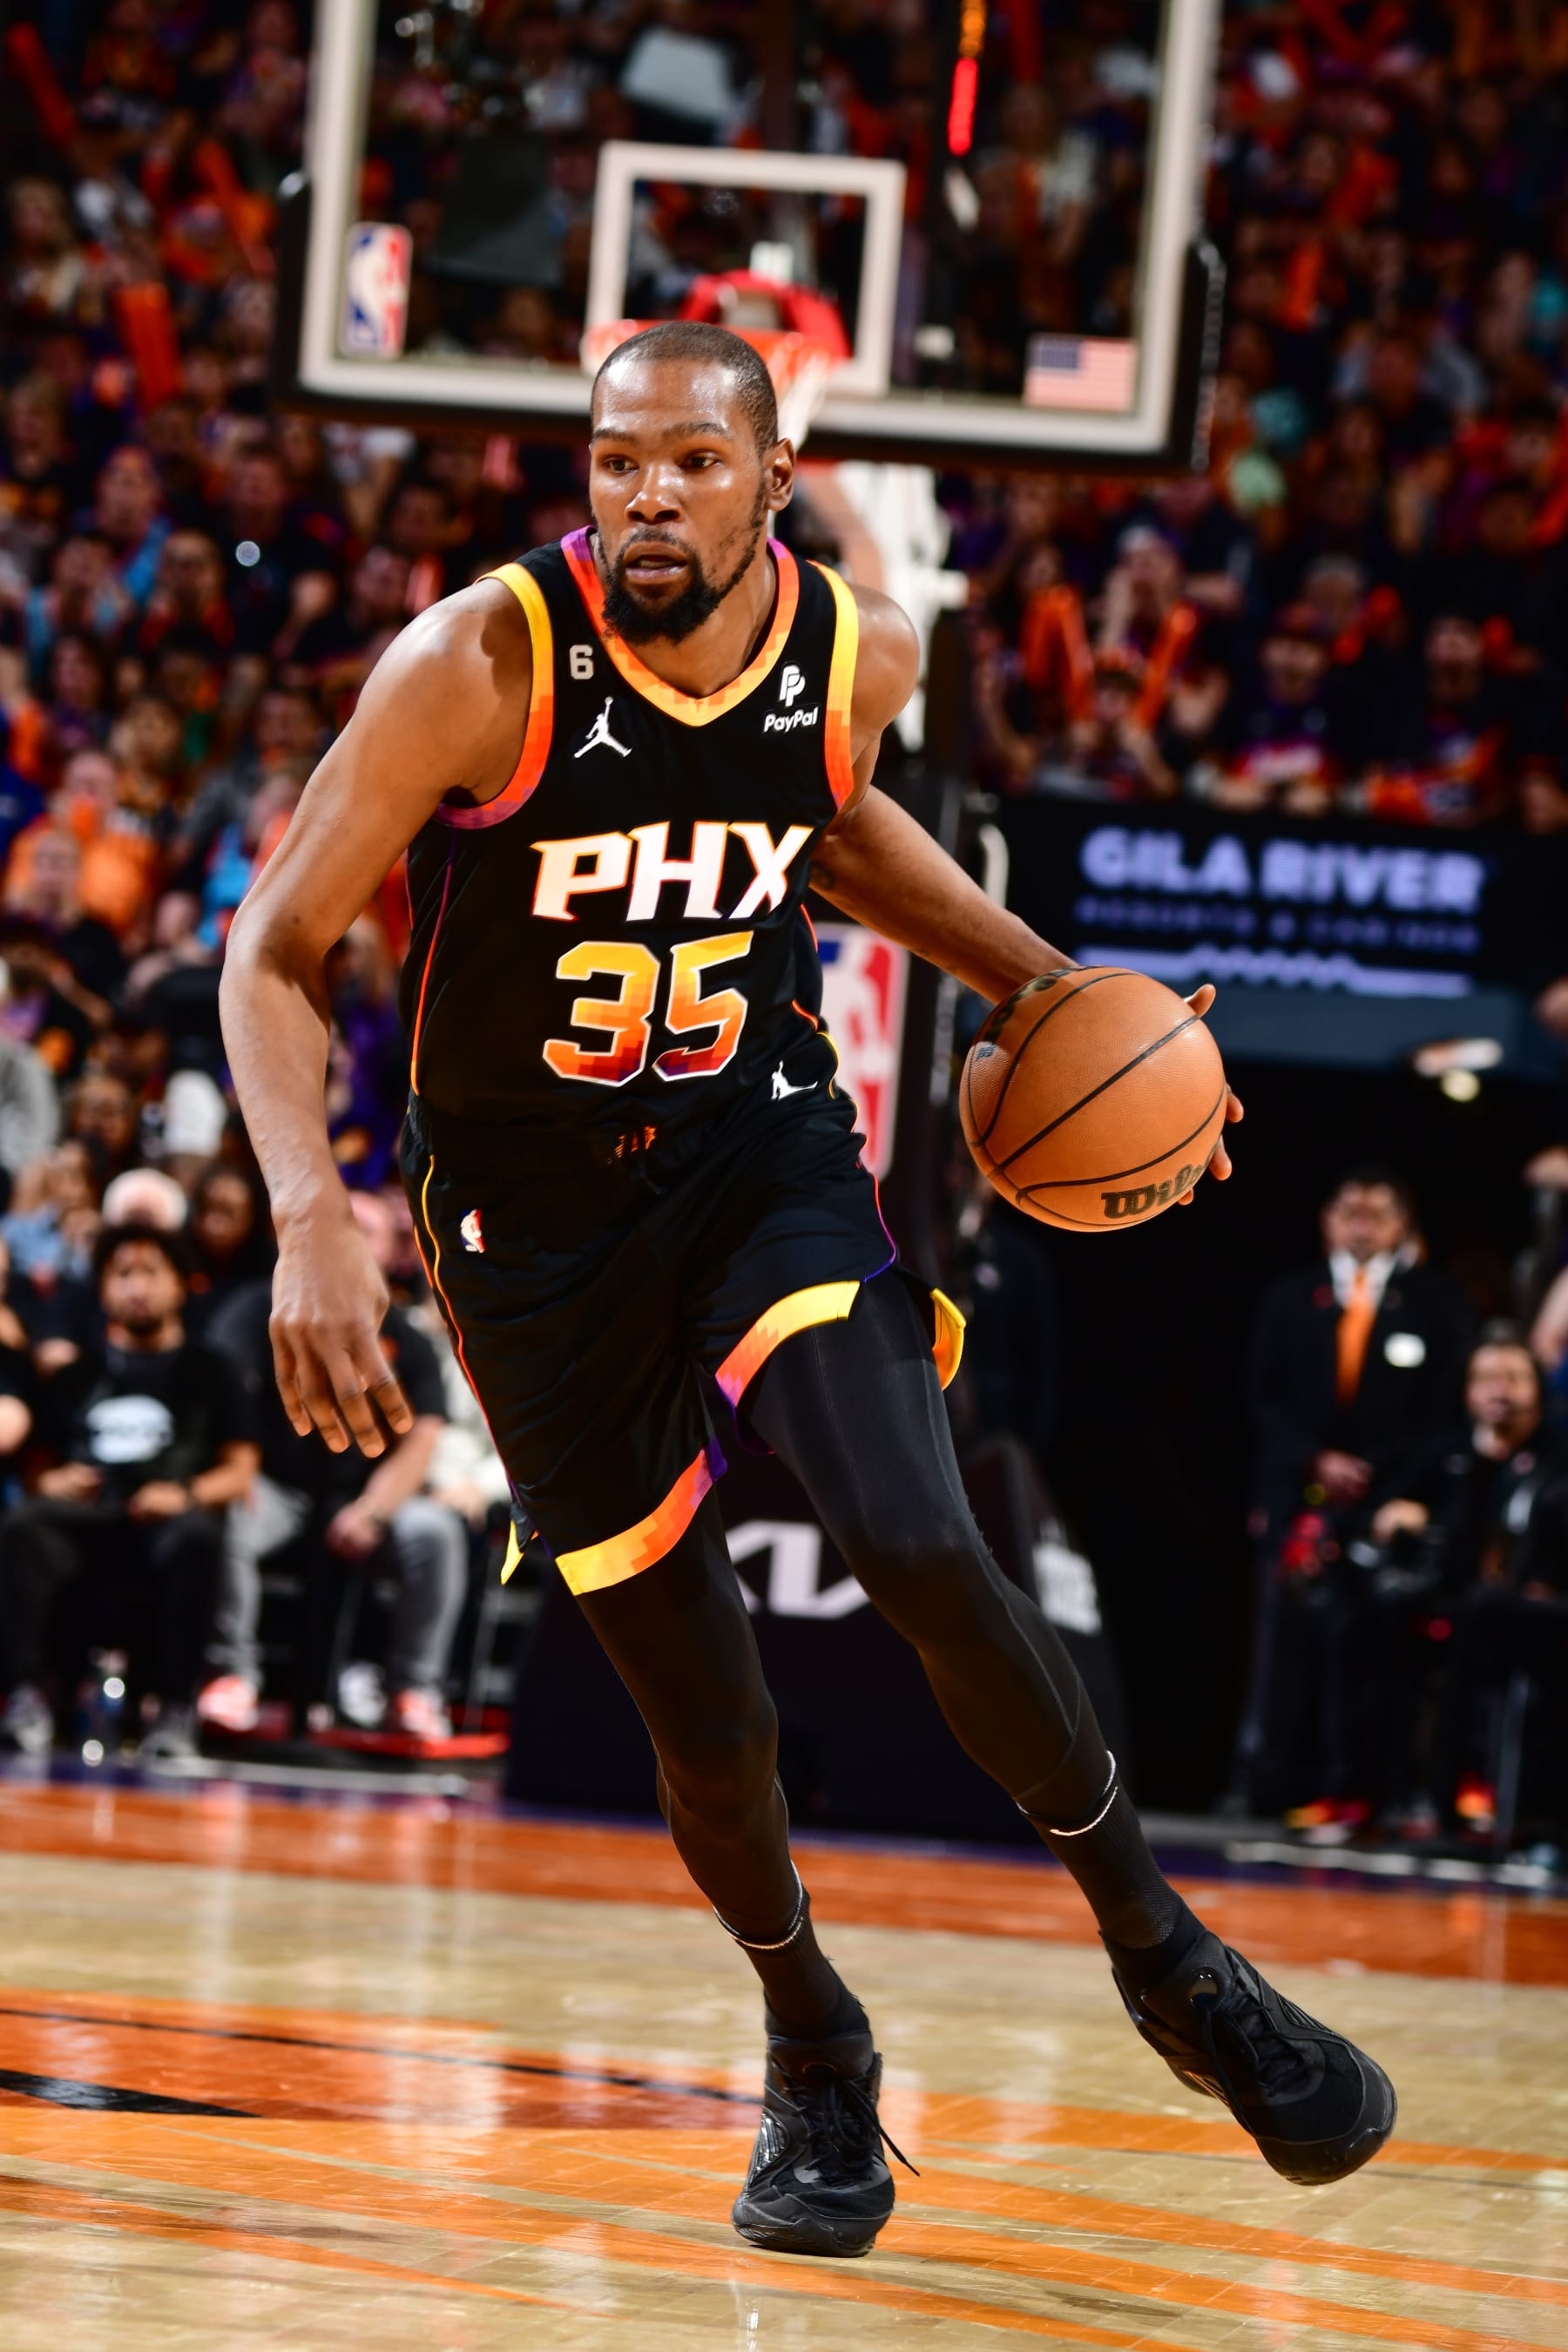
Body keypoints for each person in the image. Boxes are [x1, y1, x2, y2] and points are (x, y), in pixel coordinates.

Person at [220, 321, 1393, 2256]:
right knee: (709, 1719)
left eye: (690, 460)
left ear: (777, 481)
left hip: (757, 1149)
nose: (647, 495)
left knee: (921, 1539)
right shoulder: (481, 662)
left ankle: (1175, 1961)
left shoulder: (863, 655)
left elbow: (826, 824)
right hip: (529, 1223)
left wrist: (1047, 986)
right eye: (615, 463)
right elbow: (274, 949)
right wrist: (307, 1216)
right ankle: (814, 2041)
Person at [202, 1189, 464, 1740]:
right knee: (224, 1518)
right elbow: (219, 1397)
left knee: (436, 1533)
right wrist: (237, 1471)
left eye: (364, 1230)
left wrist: (375, 1509)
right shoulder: (258, 1308)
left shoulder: (409, 1340)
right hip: (273, 1486)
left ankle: (413, 1691)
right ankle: (233, 1676)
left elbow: (424, 1437)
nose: (345, 1239)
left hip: (365, 1494)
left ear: (393, 1253)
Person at [0, 1222, 260, 1759]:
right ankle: (27, 1697)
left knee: (198, 1536)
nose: (136, 1287)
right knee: (25, 1525)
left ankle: (173, 1710)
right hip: (87, 1521)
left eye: (150, 1272)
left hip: (163, 1519)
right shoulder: (76, 1375)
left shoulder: (210, 1370)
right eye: (122, 1274)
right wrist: (53, 1480)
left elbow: (239, 1471)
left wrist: (184, 1494)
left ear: (179, 1284)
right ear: (102, 1289)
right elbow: (37, 1469)